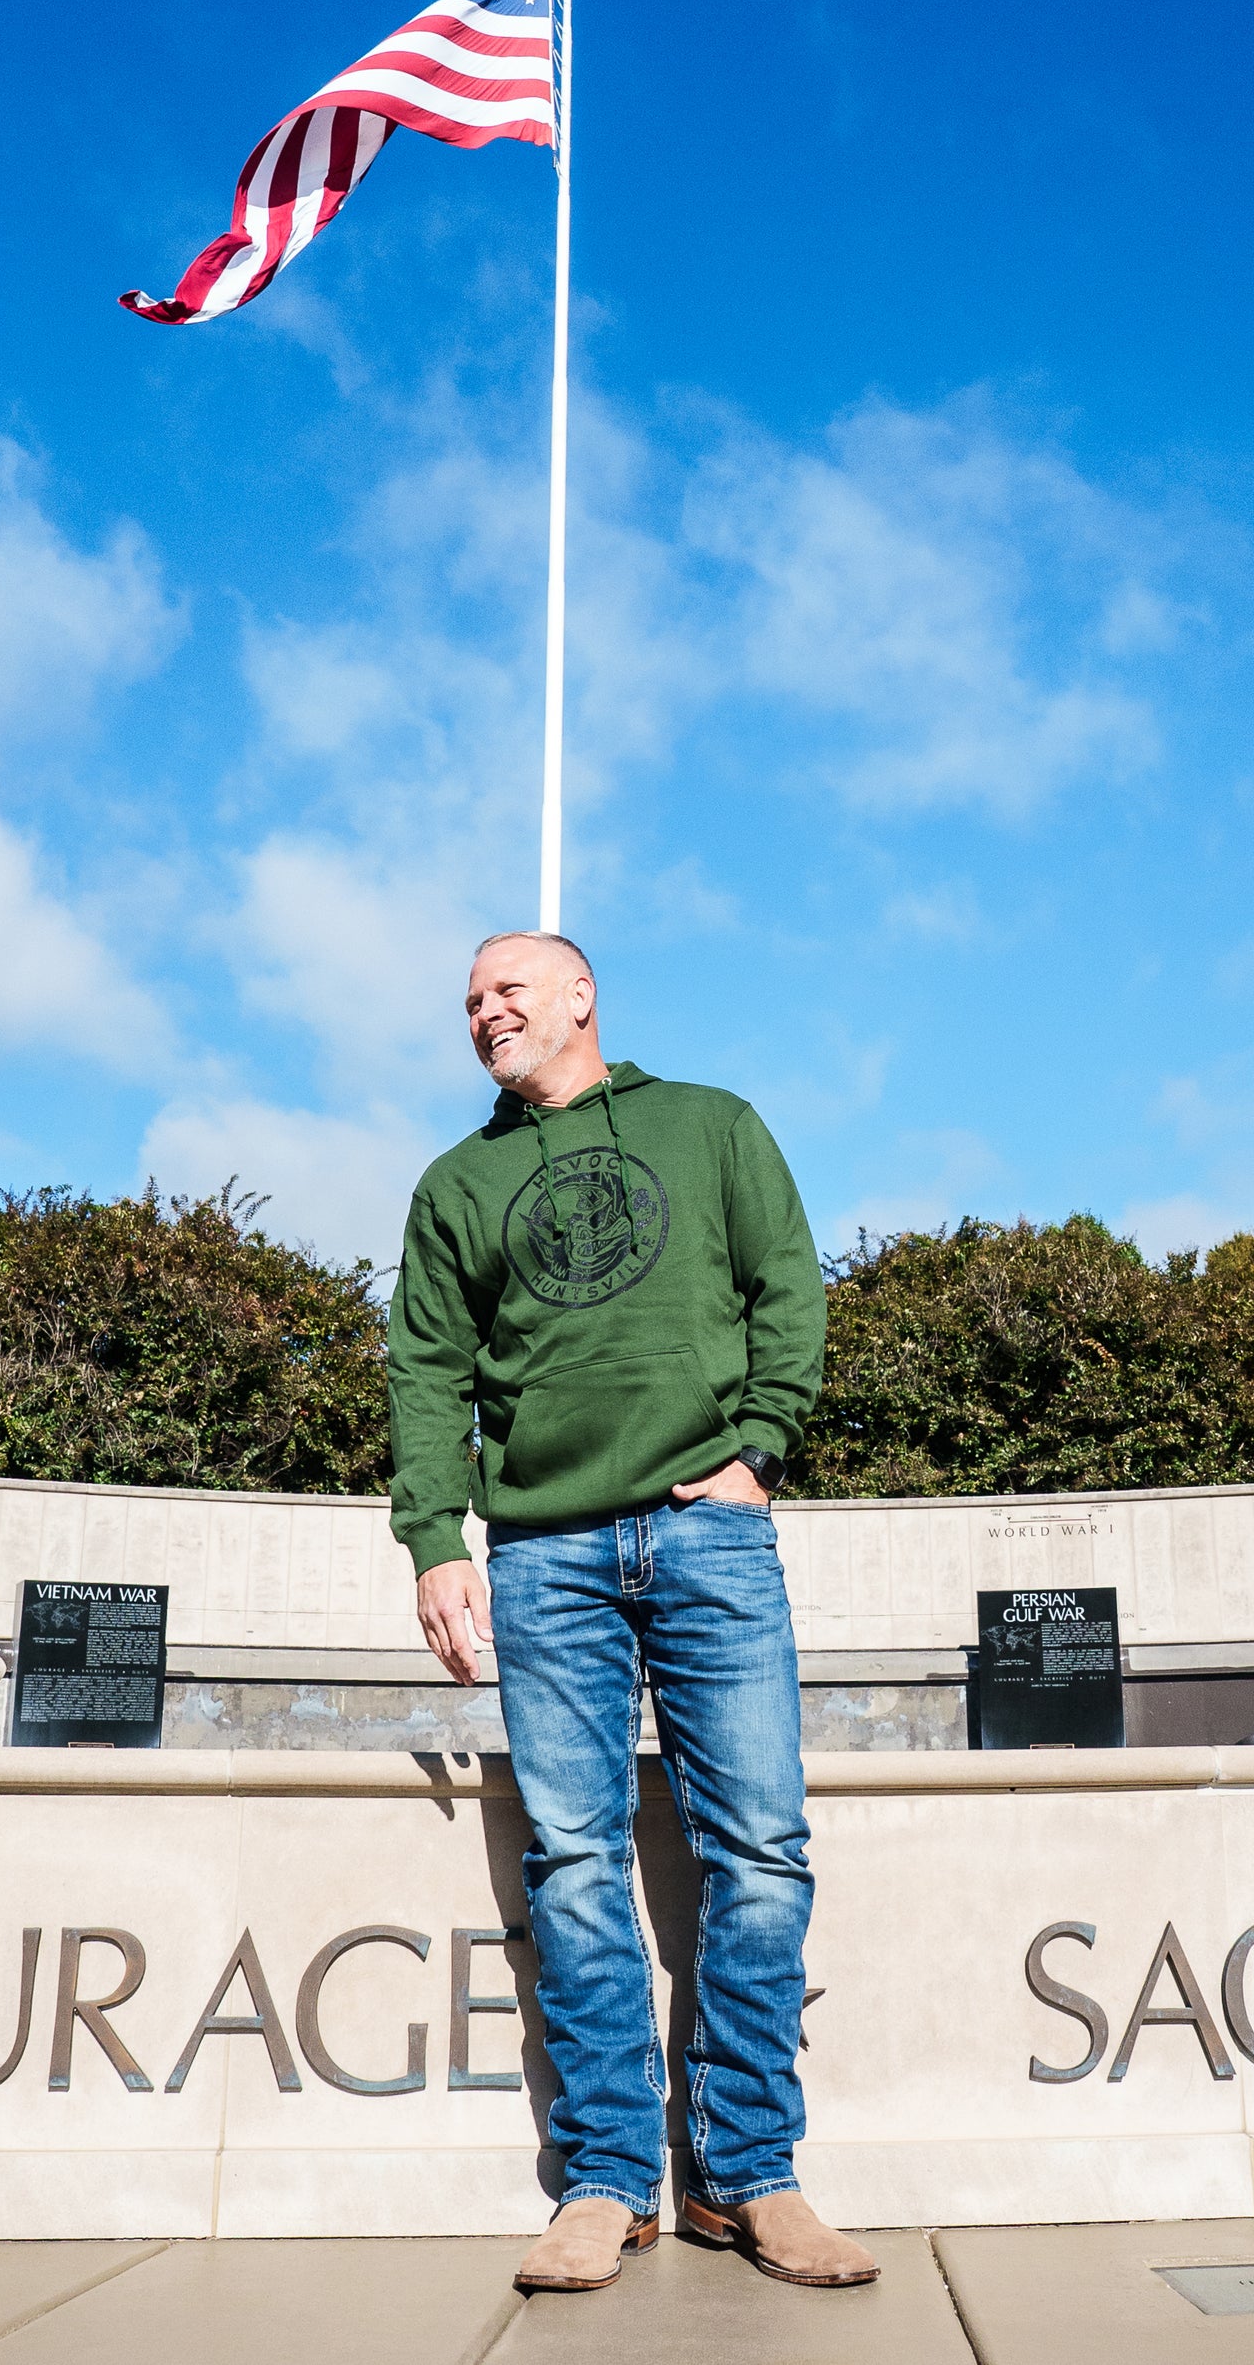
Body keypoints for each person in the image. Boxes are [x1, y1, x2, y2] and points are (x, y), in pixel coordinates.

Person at [387, 930, 878, 2295]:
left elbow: (789, 1288)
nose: (486, 1013)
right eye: (471, 1001)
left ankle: (749, 2176)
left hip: (709, 1534)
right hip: (542, 1552)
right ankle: (608, 2182)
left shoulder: (709, 1126)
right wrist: (436, 1539)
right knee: (575, 1860)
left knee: (762, 1852)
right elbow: (425, 1371)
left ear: (580, 996)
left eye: (508, 990)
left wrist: (757, 1449)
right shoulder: (457, 1184)